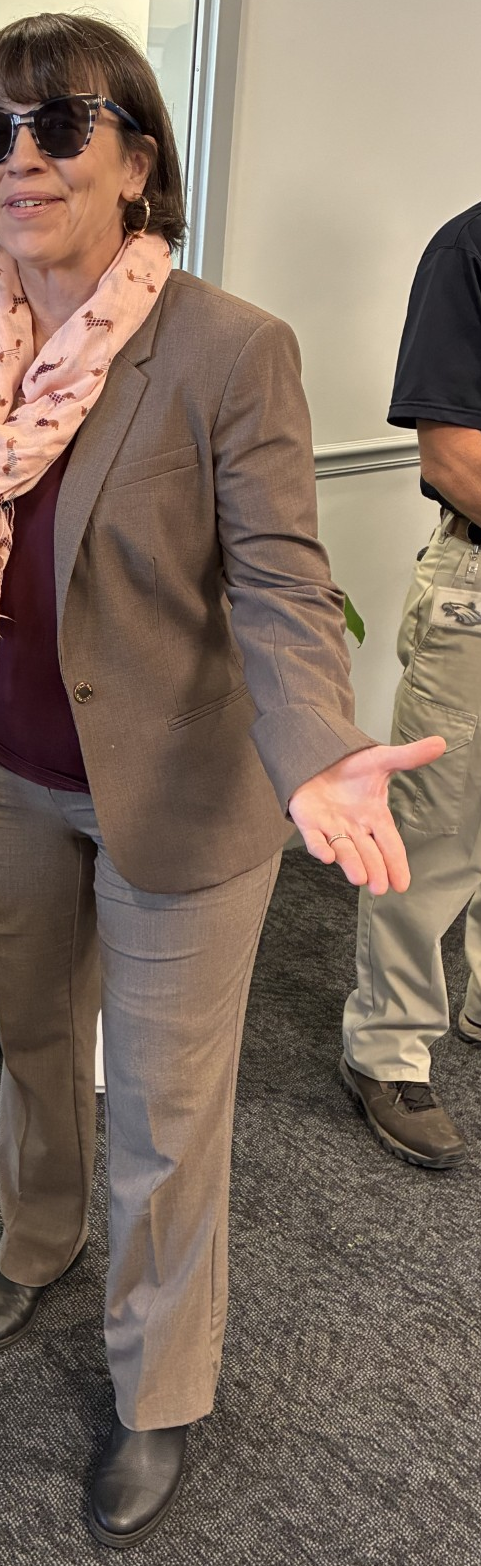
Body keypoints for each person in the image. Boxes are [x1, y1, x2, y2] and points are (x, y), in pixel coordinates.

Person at [0, 12, 444, 1549]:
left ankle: (160, 1387)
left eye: (58, 125)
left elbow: (280, 578)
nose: (19, 160)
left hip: (184, 791)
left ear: (137, 156)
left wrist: (320, 747)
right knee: (29, 1035)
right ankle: (38, 1233)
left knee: (163, 1104)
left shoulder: (228, 346)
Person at [340, 201, 481, 1170]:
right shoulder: (465, 252)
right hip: (475, 584)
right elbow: (451, 454)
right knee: (434, 830)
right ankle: (384, 1048)